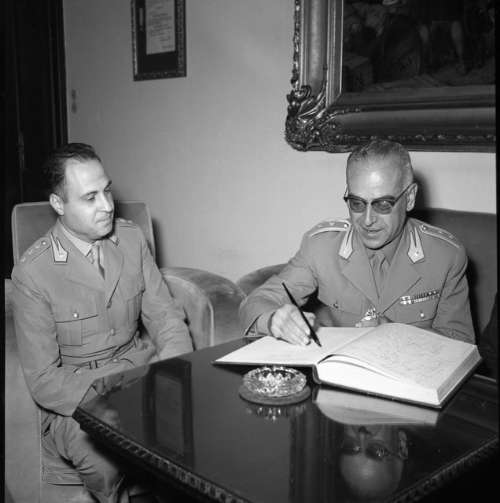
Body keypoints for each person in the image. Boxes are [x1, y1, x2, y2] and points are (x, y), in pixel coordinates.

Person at [11, 143, 193, 502]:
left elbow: (166, 317)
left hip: (143, 374)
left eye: (106, 190)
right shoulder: (33, 272)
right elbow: (44, 380)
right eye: (90, 197)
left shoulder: (131, 238)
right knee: (102, 459)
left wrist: (169, 375)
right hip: (77, 401)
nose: (107, 205)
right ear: (58, 204)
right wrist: (116, 399)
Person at [239, 139, 474, 345]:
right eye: (357, 203)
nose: (368, 220)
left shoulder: (445, 256)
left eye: (383, 204)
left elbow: (461, 343)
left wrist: (397, 336)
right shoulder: (321, 247)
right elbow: (257, 301)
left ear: (410, 197)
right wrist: (275, 320)